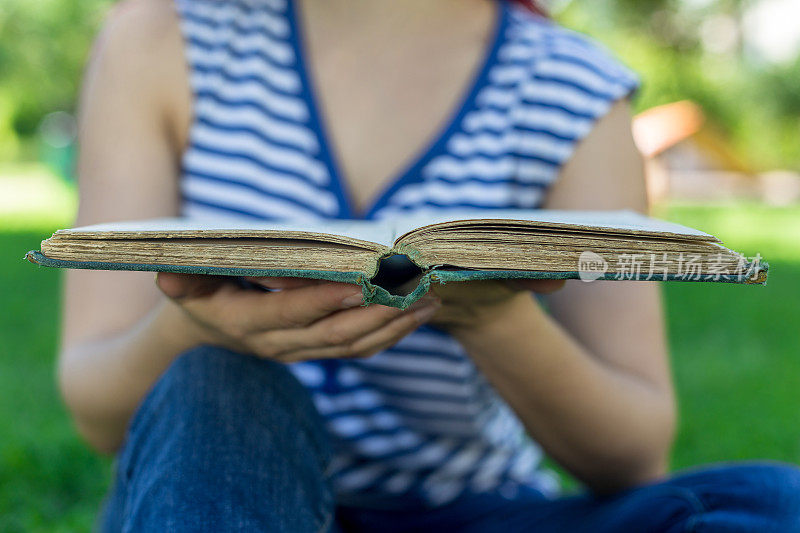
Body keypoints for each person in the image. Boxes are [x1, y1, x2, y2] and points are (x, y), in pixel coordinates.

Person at [60, 0, 800, 530]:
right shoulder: (160, 42)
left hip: (475, 508)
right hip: (222, 493)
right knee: (213, 383)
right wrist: (196, 329)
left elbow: (634, 455)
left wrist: (497, 315)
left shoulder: (570, 89)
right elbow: (95, 405)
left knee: (771, 504)